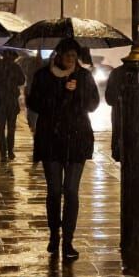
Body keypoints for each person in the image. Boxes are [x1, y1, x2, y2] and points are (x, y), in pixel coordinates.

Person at [26, 38, 100, 262]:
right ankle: (54, 235)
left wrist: (77, 92)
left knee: (71, 191)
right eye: (67, 55)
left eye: (74, 56)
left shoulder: (84, 77)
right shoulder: (43, 76)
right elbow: (34, 103)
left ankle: (68, 240)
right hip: (51, 138)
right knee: (55, 191)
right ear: (58, 55)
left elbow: (93, 104)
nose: (71, 59)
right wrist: (60, 92)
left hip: (77, 138)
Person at [0, 50, 26, 163]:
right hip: (9, 101)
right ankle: (8, 151)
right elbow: (21, 81)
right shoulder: (15, 67)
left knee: (2, 128)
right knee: (9, 128)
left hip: (3, 101)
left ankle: (5, 152)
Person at [20, 49, 46, 133]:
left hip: (35, 92)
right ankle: (34, 126)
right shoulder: (42, 67)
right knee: (33, 111)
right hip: (35, 92)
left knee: (34, 111)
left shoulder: (32, 66)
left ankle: (34, 126)